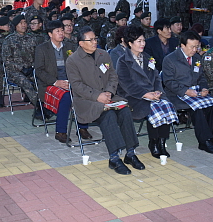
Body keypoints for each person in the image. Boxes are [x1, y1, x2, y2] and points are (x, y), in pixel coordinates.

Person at [66, 26, 144, 175]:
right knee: (108, 115)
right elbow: (76, 86)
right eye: (91, 40)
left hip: (108, 96)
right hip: (87, 101)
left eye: (95, 39)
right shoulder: (73, 60)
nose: (95, 42)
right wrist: (97, 96)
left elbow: (113, 76)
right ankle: (114, 158)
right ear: (81, 43)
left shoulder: (103, 54)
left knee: (125, 111)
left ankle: (130, 153)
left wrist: (108, 92)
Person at [117, 26, 178, 160]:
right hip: (133, 97)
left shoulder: (148, 58)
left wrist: (158, 92)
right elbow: (127, 85)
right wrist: (146, 94)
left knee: (165, 104)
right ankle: (153, 142)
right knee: (153, 107)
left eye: (143, 41)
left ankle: (161, 142)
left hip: (152, 94)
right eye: (139, 41)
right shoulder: (122, 61)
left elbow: (156, 77)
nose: (143, 44)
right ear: (130, 43)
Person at [162, 31, 213, 154]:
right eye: (192, 47)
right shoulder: (170, 59)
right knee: (198, 109)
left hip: (195, 92)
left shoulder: (197, 57)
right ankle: (204, 141)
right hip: (176, 94)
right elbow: (169, 82)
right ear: (182, 46)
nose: (195, 49)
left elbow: (202, 77)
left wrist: (203, 88)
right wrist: (185, 91)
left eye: (197, 46)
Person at [35, 21, 92, 143]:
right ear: (50, 34)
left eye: (62, 30)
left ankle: (82, 127)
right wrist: (56, 82)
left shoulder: (70, 46)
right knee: (66, 97)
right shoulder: (42, 49)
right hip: (50, 84)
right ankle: (60, 131)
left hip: (70, 81)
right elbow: (39, 71)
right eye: (58, 31)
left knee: (83, 93)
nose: (61, 33)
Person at [1, 15, 41, 116]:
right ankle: (40, 107)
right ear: (15, 26)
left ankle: (47, 104)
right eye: (21, 23)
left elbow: (37, 55)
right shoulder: (9, 40)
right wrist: (21, 68)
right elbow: (7, 60)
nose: (24, 25)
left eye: (25, 22)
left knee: (41, 81)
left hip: (30, 69)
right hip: (14, 72)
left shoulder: (32, 38)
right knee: (26, 83)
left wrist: (33, 67)